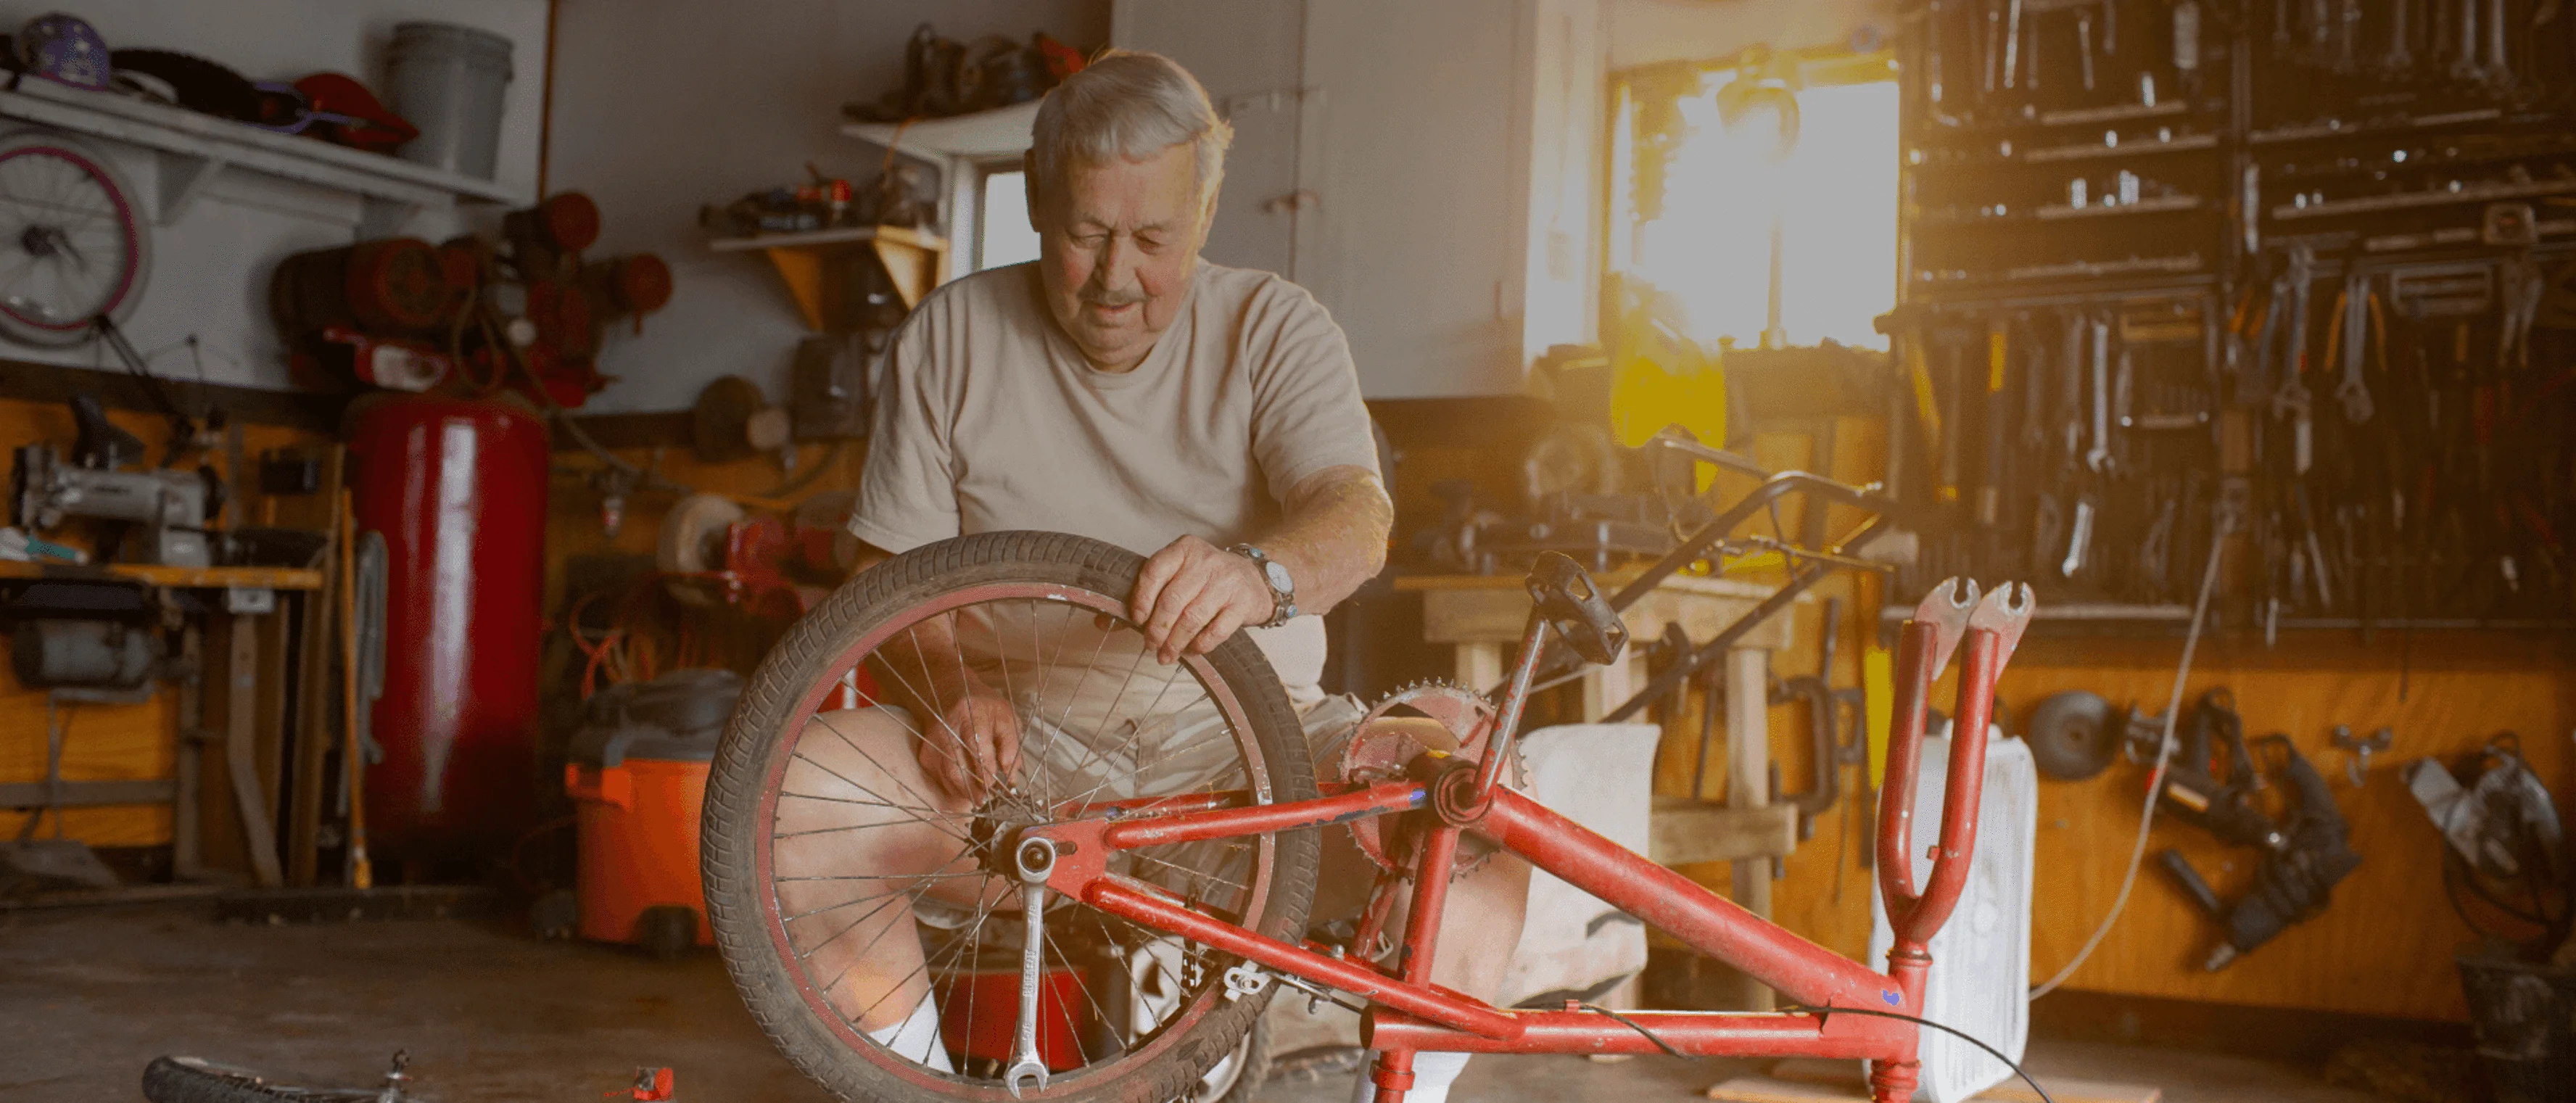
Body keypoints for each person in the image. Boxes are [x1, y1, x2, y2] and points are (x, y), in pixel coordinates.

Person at [797, 49, 1521, 1103]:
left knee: (1478, 815)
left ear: (1208, 211)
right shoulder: (950, 336)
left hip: (1255, 755)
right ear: (1037, 202)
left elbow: (1356, 517)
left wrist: (1259, 573)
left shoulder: (1276, 327)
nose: (1115, 279)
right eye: (1086, 234)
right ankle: (916, 1091)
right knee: (803, 795)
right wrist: (954, 687)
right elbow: (890, 576)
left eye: (1152, 240)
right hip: (1012, 758)